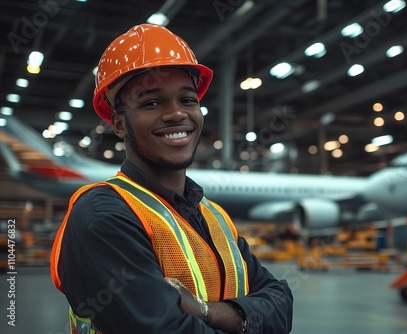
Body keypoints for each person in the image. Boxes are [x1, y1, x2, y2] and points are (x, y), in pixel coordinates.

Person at [50, 23, 293, 334]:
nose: (177, 114)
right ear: (119, 124)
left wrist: (207, 312)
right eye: (152, 102)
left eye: (188, 100)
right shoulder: (102, 216)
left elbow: (281, 303)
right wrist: (244, 319)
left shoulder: (214, 217)